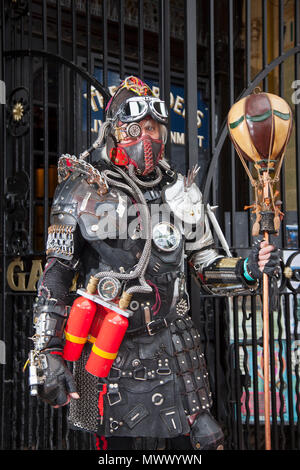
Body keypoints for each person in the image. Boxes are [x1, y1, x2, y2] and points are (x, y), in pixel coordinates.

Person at [28, 76, 279, 451]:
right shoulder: (81, 190)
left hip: (174, 350)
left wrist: (247, 270)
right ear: (116, 131)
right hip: (103, 346)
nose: (148, 137)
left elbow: (206, 267)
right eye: (137, 127)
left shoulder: (181, 191)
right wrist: (46, 351)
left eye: (154, 127)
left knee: (195, 445)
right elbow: (56, 274)